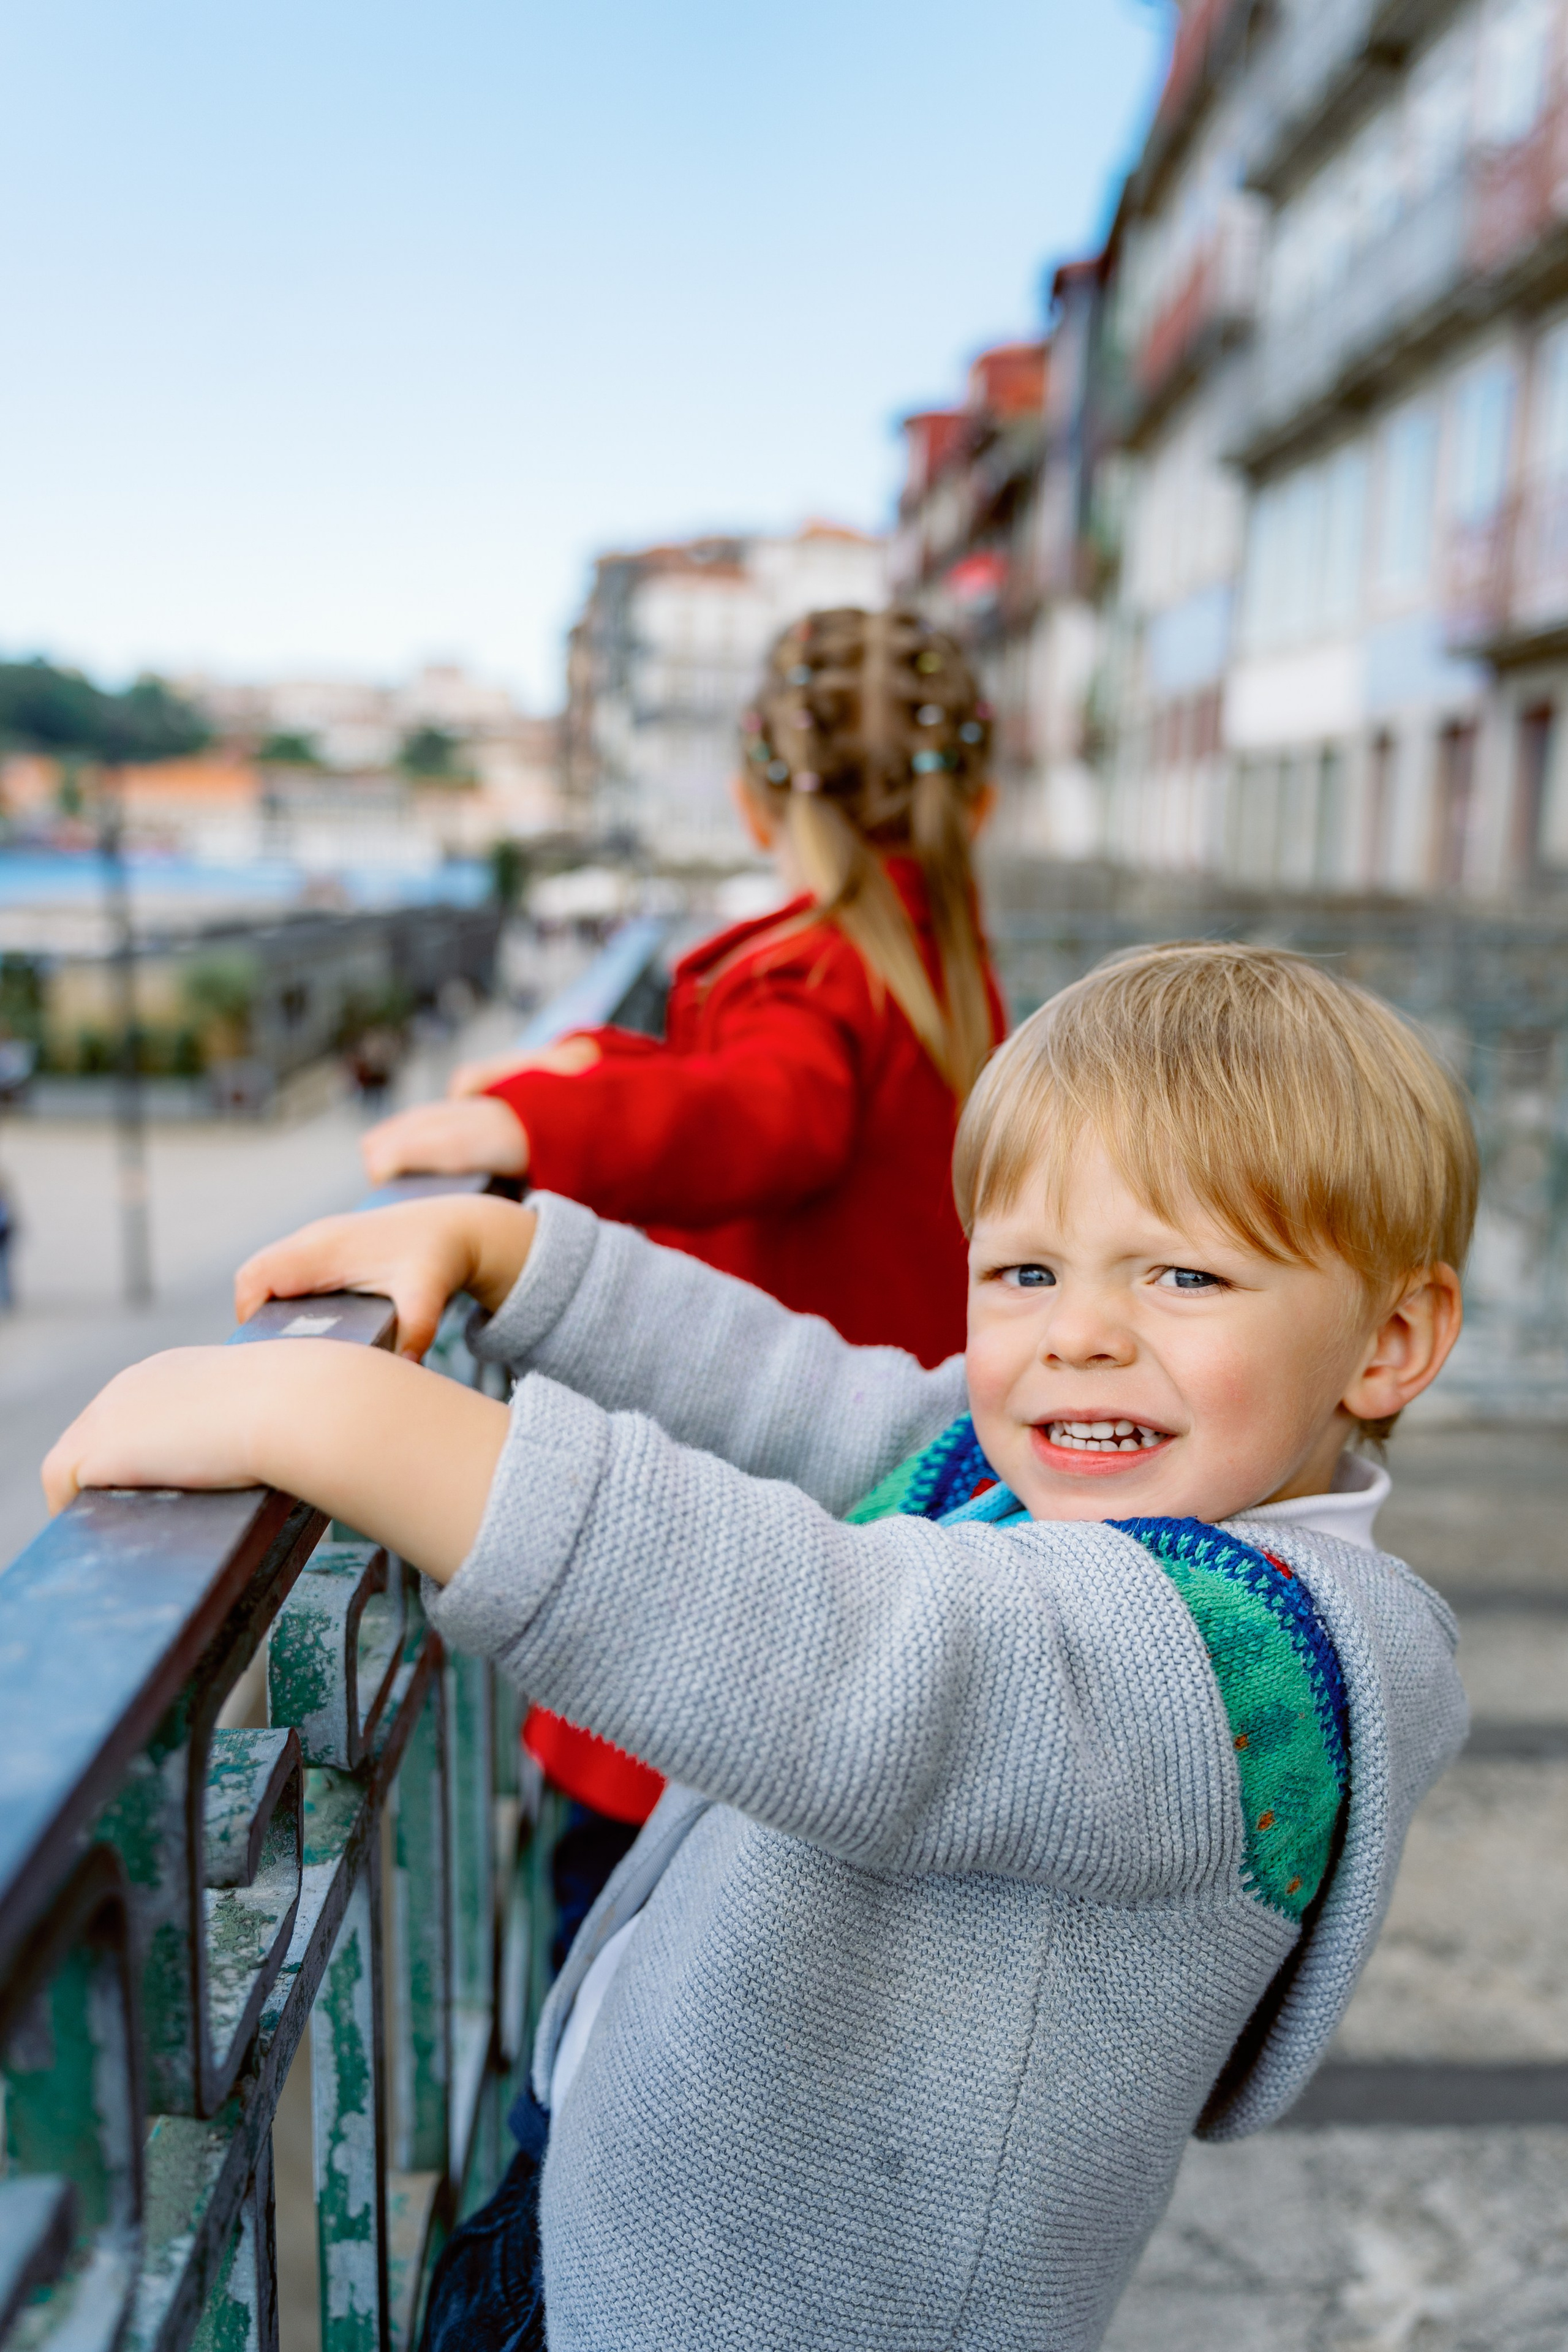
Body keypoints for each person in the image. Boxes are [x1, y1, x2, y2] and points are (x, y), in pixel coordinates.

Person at [43, 943, 1474, 2352]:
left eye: (1184, 1280)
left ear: (1389, 1339)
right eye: (1024, 1269)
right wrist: (527, 1255)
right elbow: (802, 1398)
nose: (1077, 1337)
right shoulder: (1058, 1478)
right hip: (633, 2221)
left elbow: (837, 1654)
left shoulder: (1224, 1675)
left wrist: (343, 1426)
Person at [359, 605, 1008, 1886]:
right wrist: (606, 1058)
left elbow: (769, 1118)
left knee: (619, 1925)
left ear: (755, 800)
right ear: (971, 802)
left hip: (755, 1526)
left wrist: (524, 1115)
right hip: (890, 1477)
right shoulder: (931, 957)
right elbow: (776, 1093)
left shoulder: (811, 972)